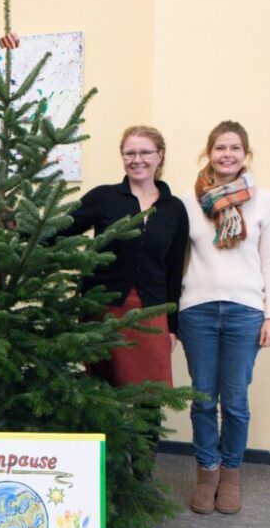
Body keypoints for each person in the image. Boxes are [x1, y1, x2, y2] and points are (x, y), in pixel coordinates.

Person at [179, 120, 270, 515]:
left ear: (245, 154)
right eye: (220, 148)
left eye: (235, 148)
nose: (227, 155)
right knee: (203, 399)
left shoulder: (265, 201)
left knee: (235, 401)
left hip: (245, 312)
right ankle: (207, 475)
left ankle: (231, 477)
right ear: (209, 153)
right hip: (198, 311)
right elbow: (175, 259)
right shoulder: (189, 201)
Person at [62, 126, 189, 389]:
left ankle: (147, 434)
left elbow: (175, 270)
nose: (137, 159)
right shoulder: (103, 197)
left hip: (152, 311)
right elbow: (61, 228)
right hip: (104, 308)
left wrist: (172, 327)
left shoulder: (174, 209)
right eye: (129, 153)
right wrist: (19, 228)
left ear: (160, 155)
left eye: (145, 152)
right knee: (104, 389)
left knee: (151, 392)